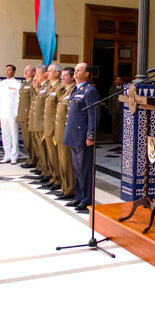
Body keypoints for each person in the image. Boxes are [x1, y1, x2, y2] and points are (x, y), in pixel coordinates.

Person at [63, 62, 100, 212]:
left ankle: (86, 199)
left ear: (86, 74)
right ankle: (78, 197)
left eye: (79, 70)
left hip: (83, 135)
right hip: (73, 134)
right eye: (75, 70)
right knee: (77, 169)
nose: (75, 72)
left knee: (85, 169)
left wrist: (91, 134)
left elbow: (94, 115)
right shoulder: (75, 90)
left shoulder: (90, 91)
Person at [53, 67, 76, 200]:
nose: (63, 78)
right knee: (62, 161)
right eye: (62, 76)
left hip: (66, 133)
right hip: (60, 131)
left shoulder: (73, 91)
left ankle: (69, 189)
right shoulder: (64, 91)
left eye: (66, 75)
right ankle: (64, 187)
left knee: (67, 162)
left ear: (72, 77)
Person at [41, 63, 64, 191]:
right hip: (48, 126)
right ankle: (54, 177)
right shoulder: (50, 87)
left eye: (49, 71)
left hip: (54, 127)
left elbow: (60, 109)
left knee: (55, 156)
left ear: (56, 73)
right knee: (51, 155)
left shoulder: (60, 87)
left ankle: (59, 179)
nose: (46, 73)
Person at [29, 65, 50, 182]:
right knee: (38, 148)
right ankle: (42, 167)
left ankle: (47, 171)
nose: (35, 76)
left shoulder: (47, 87)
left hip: (42, 123)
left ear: (44, 74)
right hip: (36, 121)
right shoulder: (41, 87)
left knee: (43, 148)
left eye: (37, 74)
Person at [0, 64, 21, 164]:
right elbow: (1, 100)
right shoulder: (2, 83)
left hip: (13, 114)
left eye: (9, 70)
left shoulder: (17, 84)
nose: (7, 72)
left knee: (14, 135)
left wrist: (17, 114)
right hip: (3, 113)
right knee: (5, 135)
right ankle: (6, 154)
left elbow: (18, 100)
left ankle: (14, 155)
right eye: (6, 70)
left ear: (14, 72)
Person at [19, 65, 37, 168]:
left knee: (30, 140)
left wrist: (30, 117)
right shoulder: (25, 83)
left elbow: (32, 101)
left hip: (27, 116)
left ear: (33, 72)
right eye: (24, 70)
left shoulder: (31, 84)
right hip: (23, 115)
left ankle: (32, 160)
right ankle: (30, 158)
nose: (25, 72)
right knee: (26, 139)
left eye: (27, 71)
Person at [108, 76, 124, 143]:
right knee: (114, 124)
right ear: (115, 81)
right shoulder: (112, 88)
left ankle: (121, 137)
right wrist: (110, 109)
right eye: (117, 80)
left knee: (121, 124)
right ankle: (115, 137)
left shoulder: (124, 88)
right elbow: (110, 99)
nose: (118, 81)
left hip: (121, 109)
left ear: (121, 81)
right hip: (114, 109)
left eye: (119, 80)